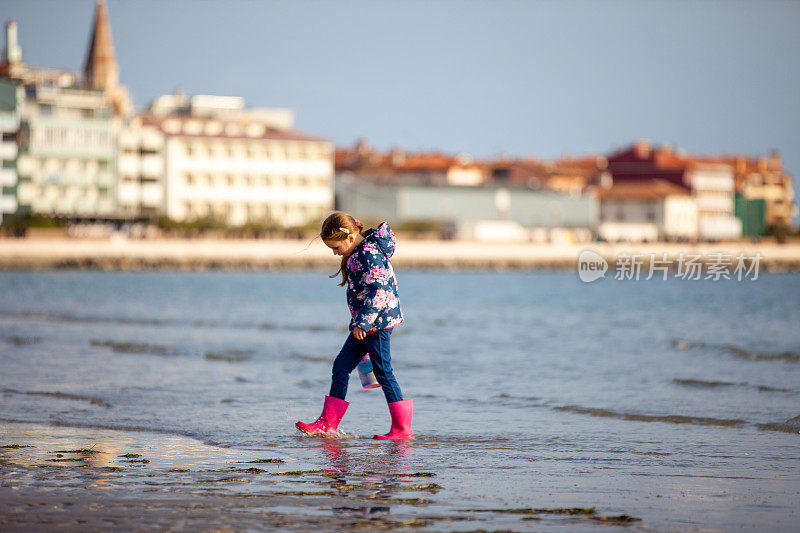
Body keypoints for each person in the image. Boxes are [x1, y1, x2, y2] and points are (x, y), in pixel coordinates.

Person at [295, 211, 414, 440]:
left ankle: (402, 429)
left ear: (349, 238)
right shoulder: (359, 252)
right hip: (366, 324)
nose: (334, 253)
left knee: (384, 371)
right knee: (341, 366)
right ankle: (327, 424)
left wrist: (363, 321)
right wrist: (360, 322)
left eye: (336, 248)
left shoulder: (368, 254)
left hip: (377, 324)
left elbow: (379, 291)